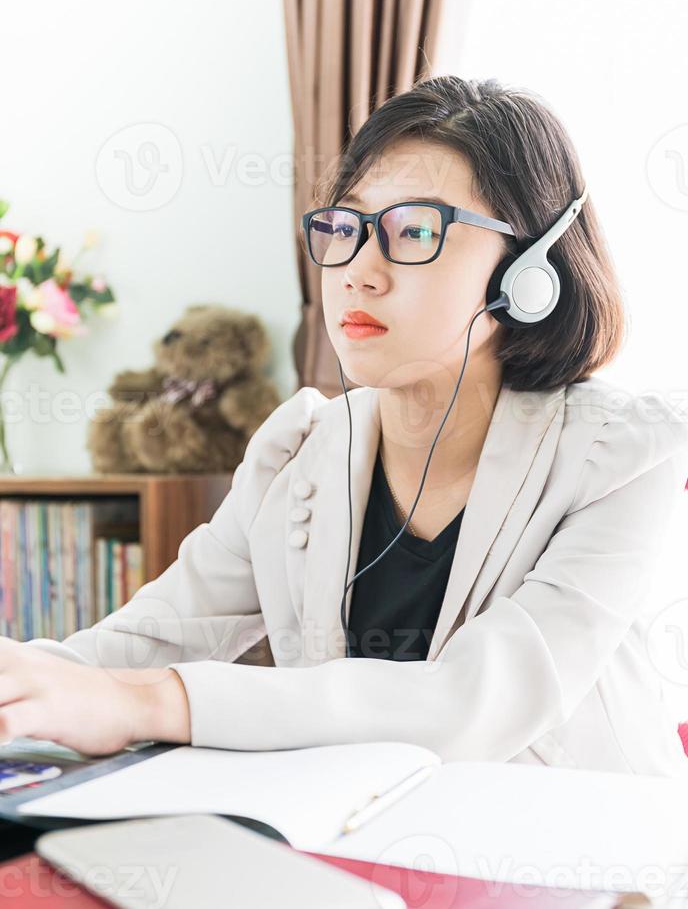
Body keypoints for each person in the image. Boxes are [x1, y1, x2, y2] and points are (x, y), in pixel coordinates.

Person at [5, 75, 688, 775]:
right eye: (346, 226)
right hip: (366, 844)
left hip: (589, 866)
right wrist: (24, 684)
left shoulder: (620, 460)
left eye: (415, 231)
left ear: (528, 271)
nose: (358, 272)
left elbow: (473, 703)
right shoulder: (298, 452)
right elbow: (140, 644)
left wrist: (151, 703)